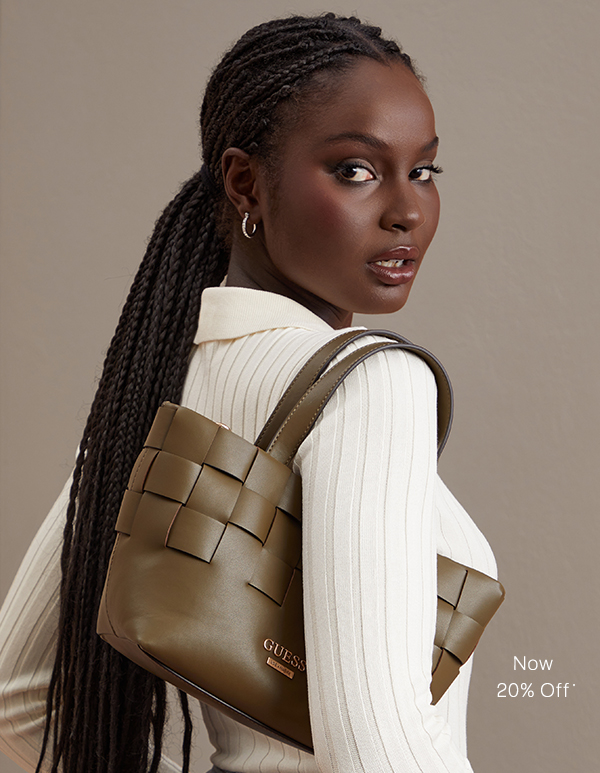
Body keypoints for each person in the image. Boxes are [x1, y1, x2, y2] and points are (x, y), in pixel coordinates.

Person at [0, 13, 498, 773]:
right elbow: (378, 751)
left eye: (423, 170)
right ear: (245, 182)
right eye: (357, 170)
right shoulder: (375, 382)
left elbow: (18, 701)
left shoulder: (157, 379)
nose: (407, 210)